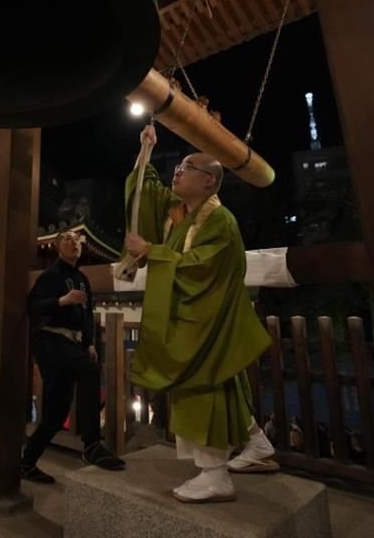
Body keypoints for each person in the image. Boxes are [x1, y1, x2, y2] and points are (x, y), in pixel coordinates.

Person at [122, 124, 275, 503]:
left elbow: (199, 268)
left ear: (209, 182)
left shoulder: (219, 221)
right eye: (177, 167)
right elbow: (144, 191)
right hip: (193, 320)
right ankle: (257, 444)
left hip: (203, 320)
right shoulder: (179, 215)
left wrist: (151, 252)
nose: (177, 171)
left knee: (201, 386)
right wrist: (146, 150)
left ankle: (214, 474)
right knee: (223, 382)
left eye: (186, 167)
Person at [20, 231, 125, 484]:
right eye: (67, 239)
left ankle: (26, 463)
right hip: (50, 340)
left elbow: (87, 315)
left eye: (77, 240)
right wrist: (61, 301)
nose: (74, 243)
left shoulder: (82, 280)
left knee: (56, 415)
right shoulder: (49, 276)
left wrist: (89, 342)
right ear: (57, 248)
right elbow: (33, 306)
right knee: (89, 370)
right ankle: (91, 445)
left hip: (72, 344)